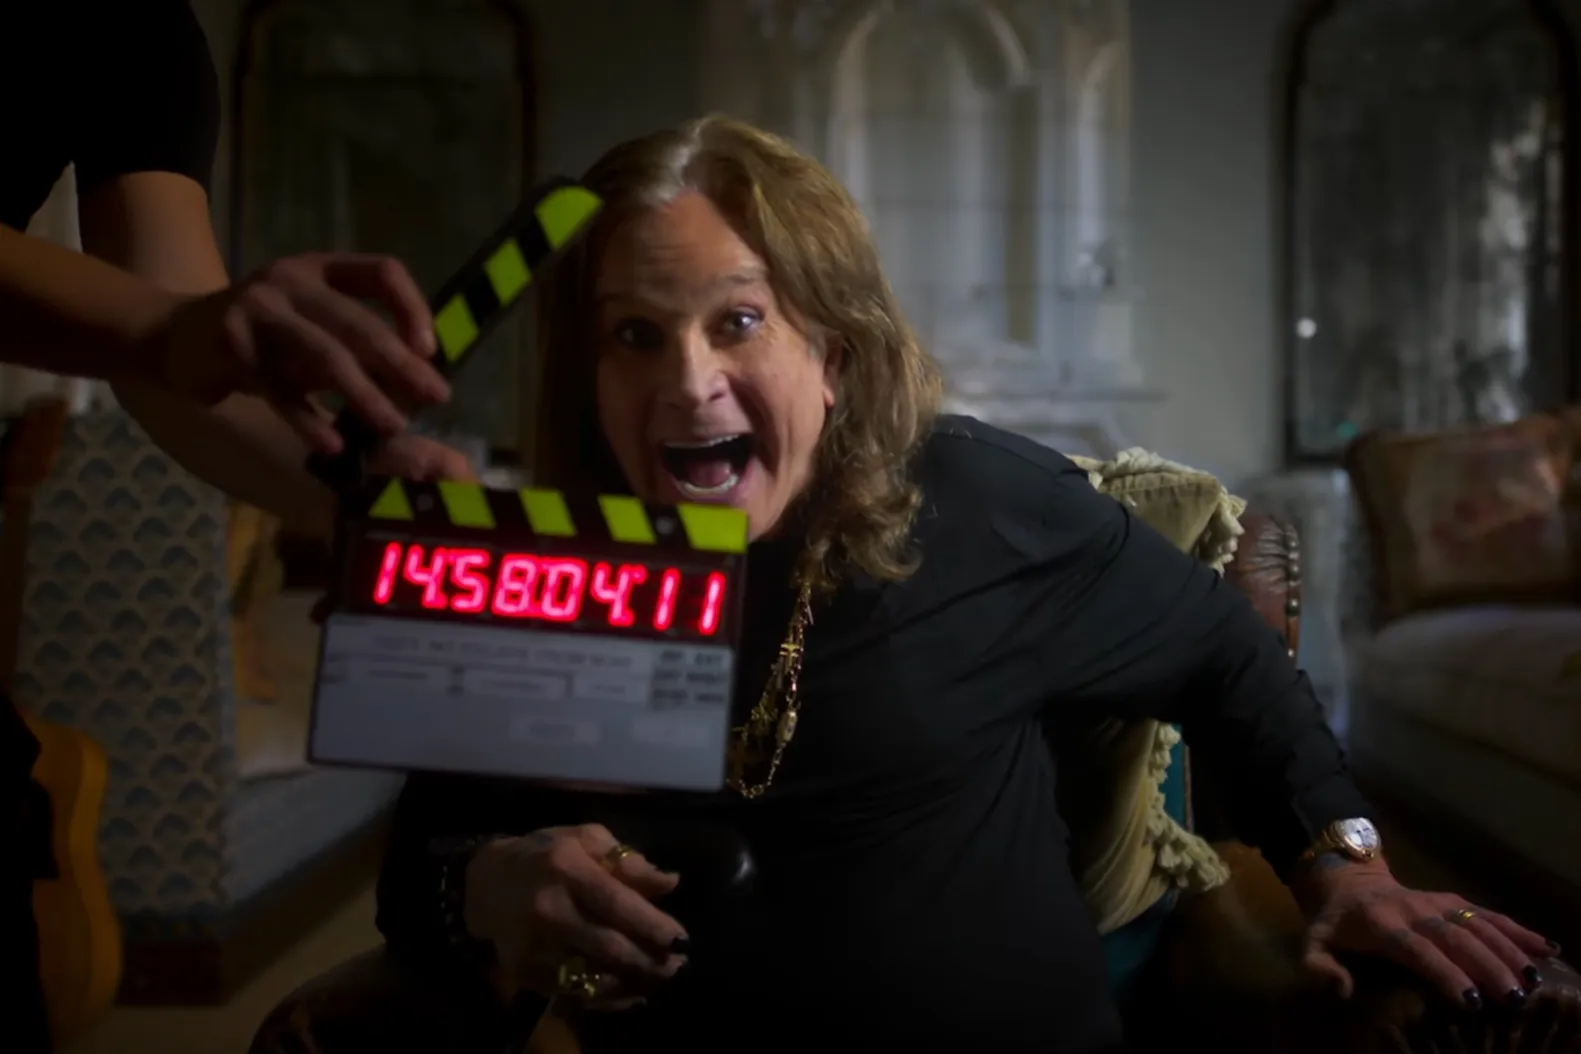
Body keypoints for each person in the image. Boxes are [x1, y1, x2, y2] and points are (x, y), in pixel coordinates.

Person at [374, 116, 1560, 1052]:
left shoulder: (984, 507)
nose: (688, 382)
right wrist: (483, 883)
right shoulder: (536, 569)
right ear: (587, 374)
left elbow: (1226, 653)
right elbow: (415, 868)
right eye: (635, 334)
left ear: (831, 357)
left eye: (737, 321)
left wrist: (1348, 865)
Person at [2, 3, 468, 1050]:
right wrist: (169, 328)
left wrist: (357, 499)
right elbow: (165, 329)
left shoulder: (144, 32)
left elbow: (178, 360)